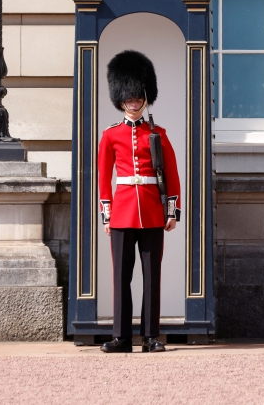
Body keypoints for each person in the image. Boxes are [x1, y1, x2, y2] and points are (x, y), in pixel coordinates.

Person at [98, 50, 181, 354]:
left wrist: (172, 212)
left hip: (151, 212)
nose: (133, 102)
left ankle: (150, 336)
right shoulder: (110, 136)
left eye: (137, 98)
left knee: (151, 277)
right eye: (128, 98)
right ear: (120, 100)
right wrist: (107, 215)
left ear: (145, 98)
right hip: (121, 213)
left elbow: (172, 175)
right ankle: (121, 337)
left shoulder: (158, 133)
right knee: (122, 277)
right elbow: (103, 178)